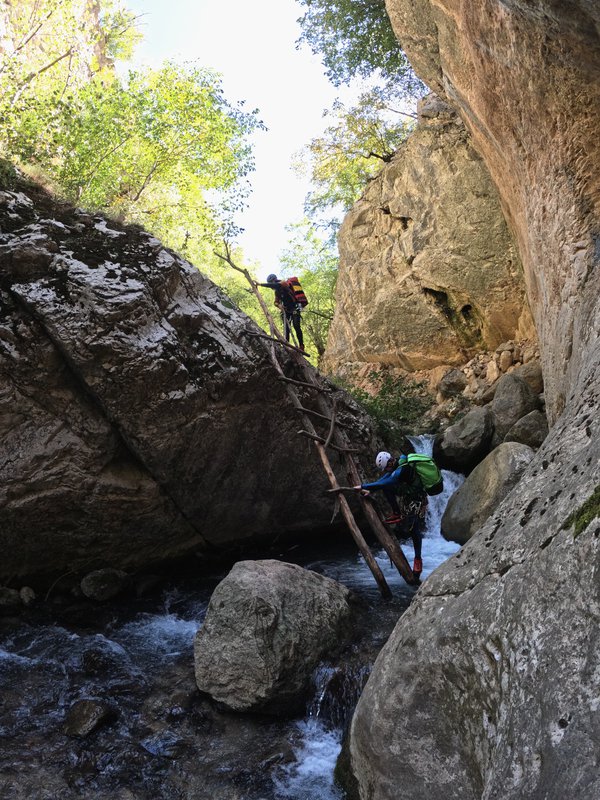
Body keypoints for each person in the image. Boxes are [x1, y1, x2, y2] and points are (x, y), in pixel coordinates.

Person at [353, 451, 427, 580]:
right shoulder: (396, 464)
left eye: (386, 467)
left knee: (414, 530)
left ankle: (418, 560)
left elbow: (388, 481)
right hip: (409, 495)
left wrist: (363, 486)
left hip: (417, 498)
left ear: (390, 462)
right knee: (386, 487)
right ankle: (397, 513)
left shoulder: (402, 468)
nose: (386, 470)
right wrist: (370, 489)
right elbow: (384, 479)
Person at [258, 273, 305, 351]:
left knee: (296, 326)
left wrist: (260, 284)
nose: (271, 286)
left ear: (274, 280)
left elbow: (276, 285)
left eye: (271, 283)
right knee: (286, 328)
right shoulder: (277, 292)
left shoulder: (283, 283)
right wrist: (279, 306)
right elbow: (275, 302)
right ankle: (287, 346)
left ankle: (301, 345)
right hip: (286, 310)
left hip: (295, 308)